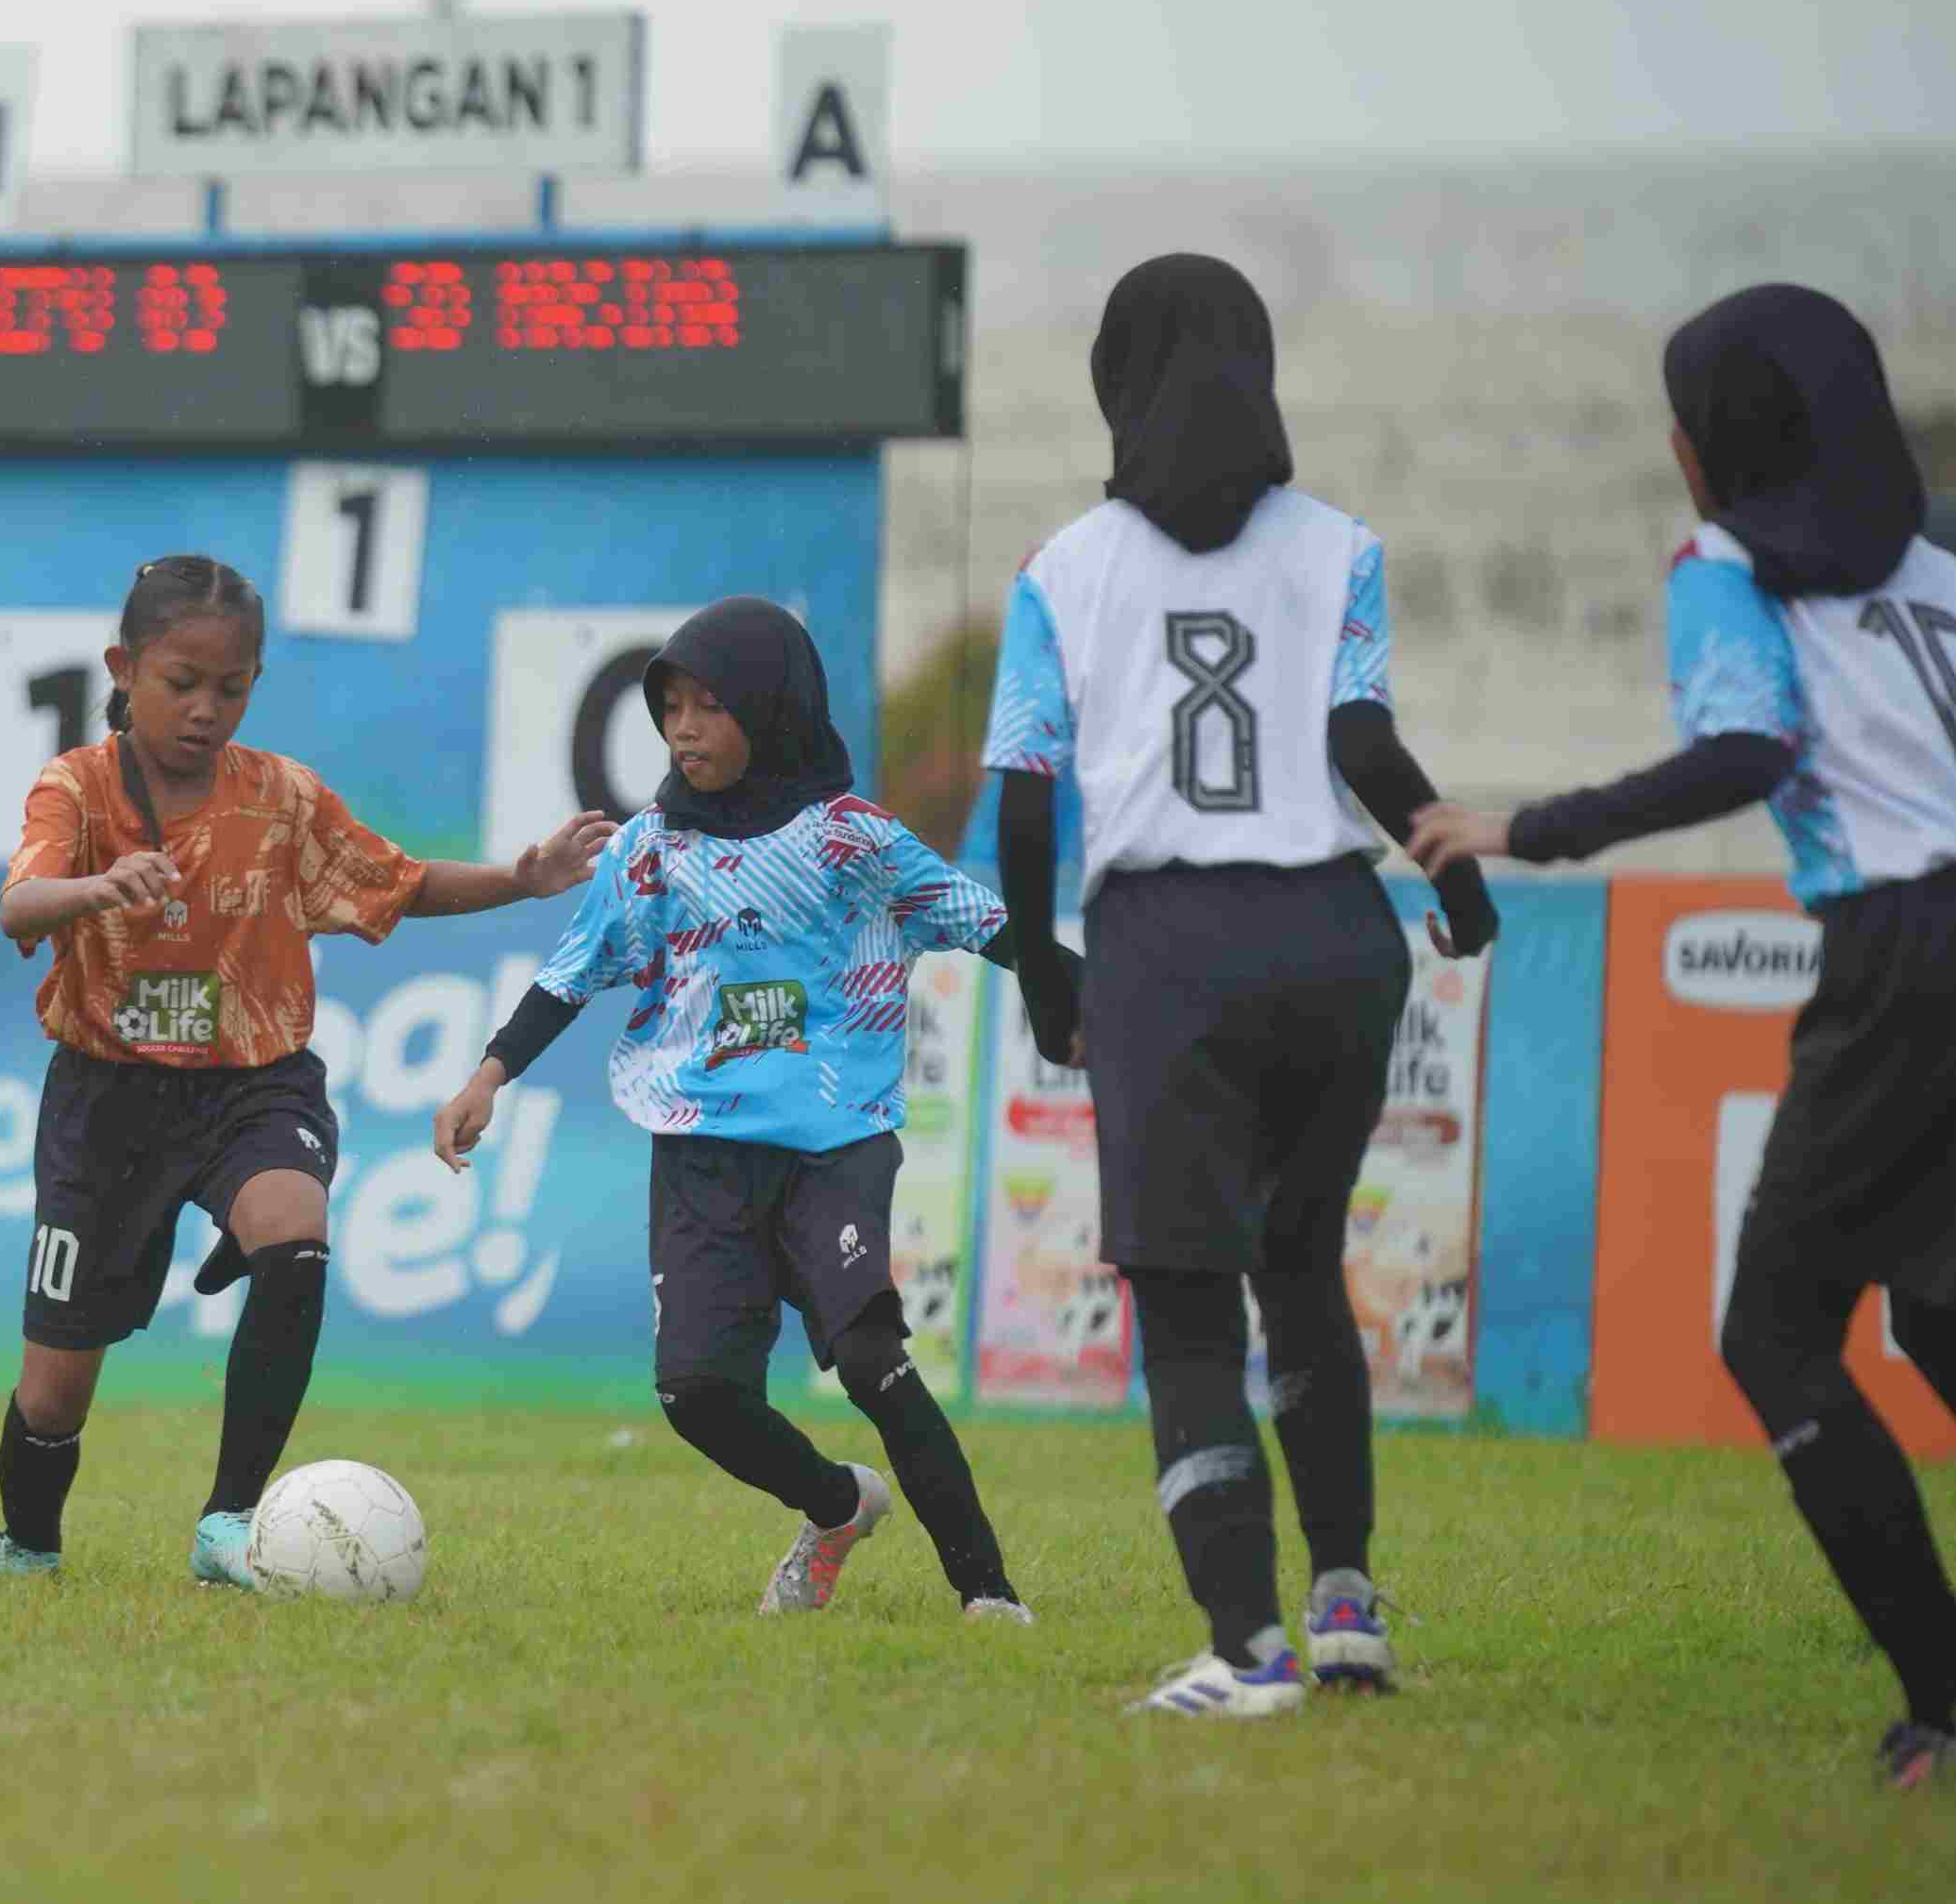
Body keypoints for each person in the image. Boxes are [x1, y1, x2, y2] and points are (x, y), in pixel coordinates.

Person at [1412, 284, 1956, 1792]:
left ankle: (1944, 1702)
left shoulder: (1720, 564)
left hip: (1902, 950)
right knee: (1928, 1314)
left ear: (1699, 446)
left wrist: (1530, 825)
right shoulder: (1938, 552)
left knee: (1772, 1333)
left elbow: (1749, 746)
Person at [980, 255, 1496, 1716]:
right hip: (1338, 938)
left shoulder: (1062, 569)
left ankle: (1243, 1647)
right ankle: (1344, 1609)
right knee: (1302, 1270)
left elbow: (1022, 797)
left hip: (1169, 945)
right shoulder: (1340, 545)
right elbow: (1362, 740)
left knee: (1190, 1302)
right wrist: (1454, 880)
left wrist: (1038, 976)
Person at [0, 554, 615, 1589]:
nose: (206, 709)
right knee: (54, 1389)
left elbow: (395, 882)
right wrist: (98, 885)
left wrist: (520, 881)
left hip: (252, 1084)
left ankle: (231, 1523)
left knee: (294, 1231)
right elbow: (17, 905)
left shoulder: (279, 797)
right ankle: (30, 1541)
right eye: (182, 683)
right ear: (123, 668)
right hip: (105, 1100)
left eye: (232, 687)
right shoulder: (76, 787)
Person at [431, 597, 1047, 1623]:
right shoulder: (649, 850)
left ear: (773, 708)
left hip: (834, 1143)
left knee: (868, 1361)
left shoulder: (855, 841)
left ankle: (986, 1591)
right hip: (702, 1155)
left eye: (710, 706)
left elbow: (986, 927)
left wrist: (1100, 997)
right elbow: (572, 975)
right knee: (696, 1396)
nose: (682, 729)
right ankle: (836, 1504)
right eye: (670, 705)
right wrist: (487, 1075)